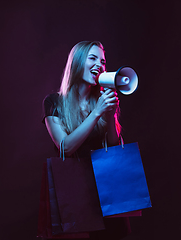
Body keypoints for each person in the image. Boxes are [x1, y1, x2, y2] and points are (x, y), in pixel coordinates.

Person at [42, 41, 131, 239]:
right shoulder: (54, 102)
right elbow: (65, 147)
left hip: (107, 190)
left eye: (103, 61)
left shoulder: (99, 100)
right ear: (76, 62)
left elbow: (114, 147)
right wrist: (97, 113)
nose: (99, 64)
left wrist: (110, 116)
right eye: (92, 58)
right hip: (76, 193)